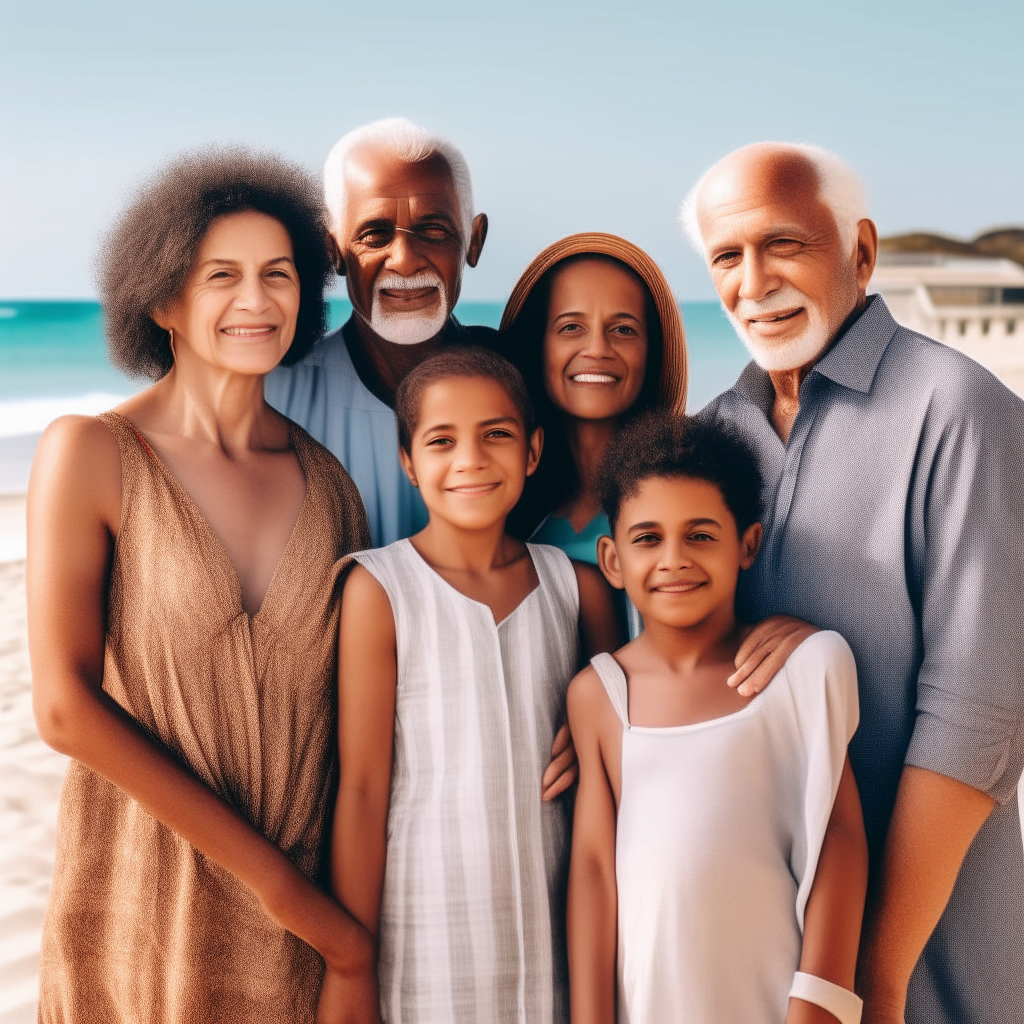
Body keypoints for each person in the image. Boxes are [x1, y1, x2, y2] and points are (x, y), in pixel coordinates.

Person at [29, 150, 379, 1023]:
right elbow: (63, 709)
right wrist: (288, 897)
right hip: (142, 898)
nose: (255, 300)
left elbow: (346, 728)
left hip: (299, 933)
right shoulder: (92, 454)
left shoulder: (331, 487)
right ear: (162, 300)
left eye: (279, 275)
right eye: (221, 275)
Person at [683, 141, 1024, 1023]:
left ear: (861, 252)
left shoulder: (959, 407)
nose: (753, 281)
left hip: (928, 957)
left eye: (784, 244)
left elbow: (980, 709)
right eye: (727, 256)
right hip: (762, 952)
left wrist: (875, 972)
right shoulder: (716, 434)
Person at [327, 346, 621, 1024]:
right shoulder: (379, 589)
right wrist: (353, 966)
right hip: (424, 946)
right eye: (441, 440)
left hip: (560, 943)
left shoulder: (577, 590)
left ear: (533, 450)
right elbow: (364, 788)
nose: (471, 459)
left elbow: (620, 759)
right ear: (408, 460)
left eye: (497, 435)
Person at [566, 412, 867, 1024]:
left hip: (772, 999)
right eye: (647, 538)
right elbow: (594, 871)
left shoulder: (800, 673)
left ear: (746, 545)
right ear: (612, 558)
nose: (673, 559)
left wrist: (819, 1002)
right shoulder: (598, 695)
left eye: (700, 535)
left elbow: (840, 842)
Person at [501, 232, 818, 691]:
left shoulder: (704, 485)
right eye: (570, 326)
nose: (597, 348)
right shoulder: (505, 510)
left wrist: (798, 637)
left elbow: (748, 611)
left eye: (624, 329)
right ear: (537, 346)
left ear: (654, 349)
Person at [266, 117, 496, 547]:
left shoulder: (520, 383)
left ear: (474, 242)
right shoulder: (267, 401)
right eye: (375, 234)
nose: (405, 260)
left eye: (433, 230)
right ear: (333, 252)